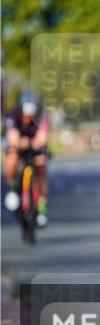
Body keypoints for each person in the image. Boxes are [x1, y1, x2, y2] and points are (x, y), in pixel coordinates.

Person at [3, 91, 51, 227]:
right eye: (26, 114)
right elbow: (13, 139)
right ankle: (12, 188)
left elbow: (42, 138)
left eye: (31, 114)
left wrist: (33, 142)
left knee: (41, 164)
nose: (28, 117)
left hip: (35, 146)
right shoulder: (12, 116)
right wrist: (23, 143)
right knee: (11, 158)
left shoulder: (42, 117)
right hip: (18, 146)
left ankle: (41, 207)